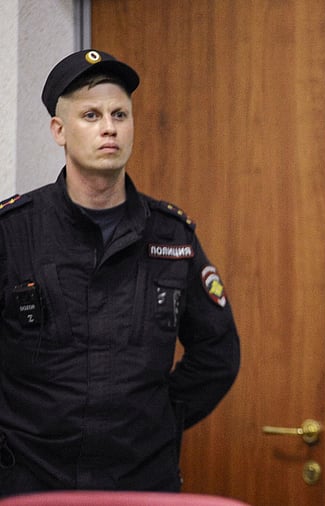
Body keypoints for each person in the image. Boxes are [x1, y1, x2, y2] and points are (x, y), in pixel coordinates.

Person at [0, 49, 240, 495]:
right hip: (29, 481)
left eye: (120, 114)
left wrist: (159, 415)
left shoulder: (171, 236)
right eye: (91, 115)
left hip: (141, 480)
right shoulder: (13, 232)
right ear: (59, 130)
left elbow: (217, 353)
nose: (109, 127)